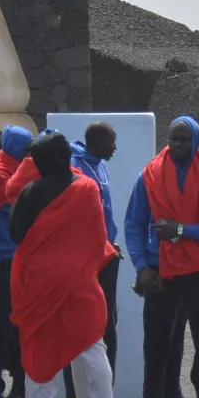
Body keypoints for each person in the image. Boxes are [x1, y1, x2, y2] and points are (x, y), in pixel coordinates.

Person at [8, 133, 125, 398]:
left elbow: (16, 234)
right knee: (90, 348)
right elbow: (99, 236)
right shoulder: (88, 189)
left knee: (40, 348)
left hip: (39, 284)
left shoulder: (31, 191)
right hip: (80, 283)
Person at [121, 116, 199, 398]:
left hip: (198, 270)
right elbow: (134, 224)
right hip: (160, 270)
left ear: (195, 140)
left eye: (183, 139)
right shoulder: (149, 175)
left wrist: (181, 230)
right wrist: (141, 267)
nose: (176, 145)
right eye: (172, 138)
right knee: (156, 341)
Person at [0, 124, 36, 398]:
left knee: (19, 328)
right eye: (26, 148)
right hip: (3, 257)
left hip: (18, 254)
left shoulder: (15, 166)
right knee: (2, 329)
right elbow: (12, 205)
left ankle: (22, 389)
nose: (30, 154)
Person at [70, 122, 121, 364]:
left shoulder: (101, 166)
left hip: (107, 254)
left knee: (109, 320)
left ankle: (106, 390)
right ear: (97, 141)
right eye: (111, 141)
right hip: (85, 258)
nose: (115, 147)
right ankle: (74, 396)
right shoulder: (75, 165)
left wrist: (111, 243)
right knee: (83, 320)